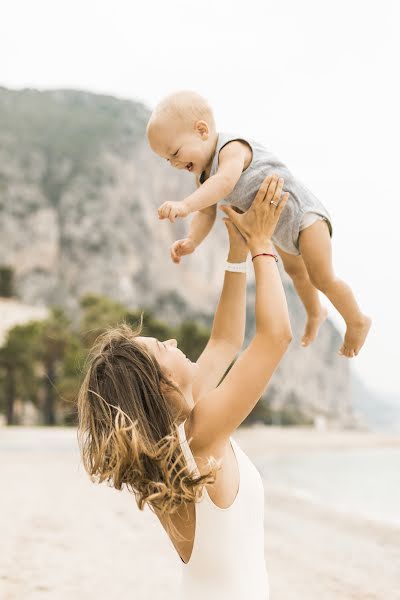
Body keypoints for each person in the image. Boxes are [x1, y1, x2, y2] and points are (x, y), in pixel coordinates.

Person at [77, 174, 291, 600]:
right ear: (164, 385)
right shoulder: (201, 437)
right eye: (162, 346)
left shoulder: (175, 442)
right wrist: (263, 245)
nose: (174, 342)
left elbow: (225, 341)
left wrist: (236, 252)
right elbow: (275, 336)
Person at [146, 90, 371, 357]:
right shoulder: (203, 180)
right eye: (167, 159)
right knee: (297, 273)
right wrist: (193, 241)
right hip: (280, 229)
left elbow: (225, 183)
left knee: (322, 277)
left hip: (304, 216)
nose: (173, 163)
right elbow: (206, 214)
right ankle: (314, 311)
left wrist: (184, 205)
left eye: (175, 152)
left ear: (202, 130)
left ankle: (357, 320)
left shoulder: (231, 149)